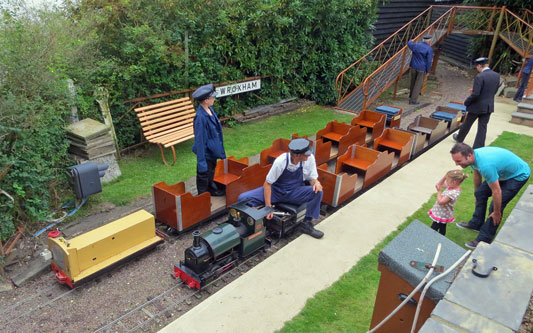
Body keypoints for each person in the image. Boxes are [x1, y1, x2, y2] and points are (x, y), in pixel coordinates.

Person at [237, 138, 324, 239]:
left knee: (318, 192)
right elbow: (267, 184)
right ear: (296, 155)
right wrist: (268, 208)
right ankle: (250, 224)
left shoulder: (310, 159)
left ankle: (306, 223)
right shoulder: (280, 162)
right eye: (306, 154)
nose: (309, 155)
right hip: (276, 191)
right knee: (242, 199)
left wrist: (316, 183)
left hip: (295, 191)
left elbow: (312, 178)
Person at [450, 143, 530, 249]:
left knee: (495, 206)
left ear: (469, 155)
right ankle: (476, 223)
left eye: (458, 161)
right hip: (503, 173)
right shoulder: (474, 157)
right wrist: (477, 195)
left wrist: (496, 212)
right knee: (479, 193)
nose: (456, 164)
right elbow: (477, 174)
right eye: (455, 161)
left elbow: (497, 191)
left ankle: (484, 238)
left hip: (518, 175)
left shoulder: (486, 165)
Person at [453, 57, 500, 149]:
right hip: (488, 105)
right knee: (482, 127)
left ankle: (459, 138)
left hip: (477, 105)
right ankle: (478, 146)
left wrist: (466, 102)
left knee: (468, 123)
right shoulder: (496, 75)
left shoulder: (479, 76)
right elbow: (493, 90)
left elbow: (476, 94)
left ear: (479, 66)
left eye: (477, 67)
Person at [191, 83, 226, 196]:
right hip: (206, 153)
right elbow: (200, 141)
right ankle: (202, 196)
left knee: (211, 171)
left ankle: (211, 188)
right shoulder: (200, 117)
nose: (214, 99)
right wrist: (201, 162)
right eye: (212, 97)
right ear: (206, 100)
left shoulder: (210, 110)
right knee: (203, 174)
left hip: (212, 152)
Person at [428, 170, 468, 236]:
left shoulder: (453, 193)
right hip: (442, 212)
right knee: (442, 227)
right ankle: (441, 238)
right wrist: (445, 176)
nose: (446, 181)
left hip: (442, 213)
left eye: (447, 180)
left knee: (434, 228)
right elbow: (439, 184)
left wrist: (439, 191)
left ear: (454, 182)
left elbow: (441, 202)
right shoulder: (452, 187)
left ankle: (429, 239)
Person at [407, 34, 434, 105]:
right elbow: (429, 61)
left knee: (413, 82)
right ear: (429, 41)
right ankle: (413, 100)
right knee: (418, 84)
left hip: (413, 66)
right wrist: (428, 71)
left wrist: (411, 40)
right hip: (422, 68)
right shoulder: (429, 49)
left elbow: (409, 44)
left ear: (423, 40)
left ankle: (411, 96)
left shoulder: (416, 45)